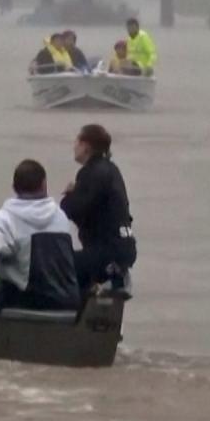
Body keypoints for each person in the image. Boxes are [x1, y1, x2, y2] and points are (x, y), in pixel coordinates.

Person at [0, 159, 80, 312]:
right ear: (44, 184)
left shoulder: (3, 219)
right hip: (67, 301)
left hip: (27, 300)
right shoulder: (60, 216)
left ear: (14, 187)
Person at [60, 124, 136, 294]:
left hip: (105, 253)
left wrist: (69, 196)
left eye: (77, 142)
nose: (74, 147)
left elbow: (75, 209)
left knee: (57, 266)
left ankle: (104, 284)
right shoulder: (112, 170)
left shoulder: (90, 173)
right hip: (124, 249)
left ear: (86, 146)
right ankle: (110, 281)